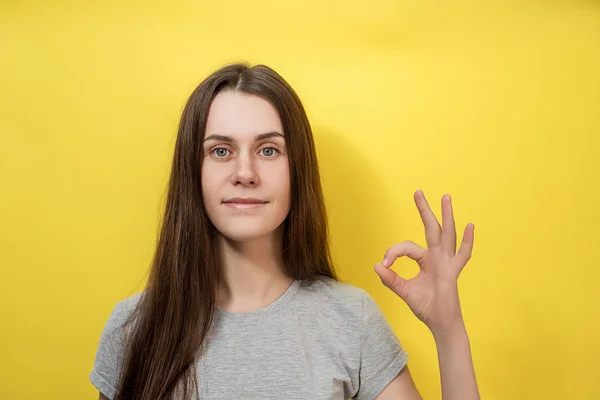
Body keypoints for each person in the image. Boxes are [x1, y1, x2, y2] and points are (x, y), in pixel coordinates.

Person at [90, 63, 480, 400]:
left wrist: (449, 330)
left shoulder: (350, 319)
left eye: (268, 150)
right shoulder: (134, 328)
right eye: (221, 151)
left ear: (298, 170)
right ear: (194, 172)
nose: (245, 173)